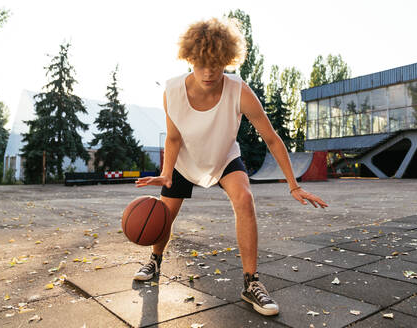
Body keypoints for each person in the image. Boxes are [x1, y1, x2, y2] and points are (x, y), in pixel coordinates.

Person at [134, 17, 328, 316]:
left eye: (216, 63)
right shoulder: (172, 90)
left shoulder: (239, 90)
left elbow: (272, 138)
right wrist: (166, 172)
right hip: (185, 161)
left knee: (245, 199)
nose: (209, 71)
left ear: (227, 59)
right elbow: (173, 137)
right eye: (201, 63)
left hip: (224, 156)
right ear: (189, 58)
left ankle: (251, 283)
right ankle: (155, 259)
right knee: (163, 216)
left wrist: (294, 184)